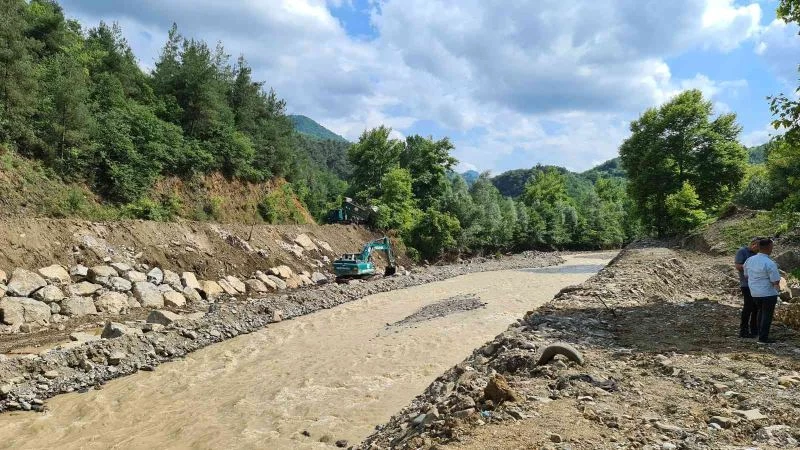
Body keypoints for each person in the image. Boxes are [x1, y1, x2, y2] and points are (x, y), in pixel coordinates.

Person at [744, 238, 782, 344]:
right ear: (769, 248)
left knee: (760, 312)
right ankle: (763, 338)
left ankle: (760, 334)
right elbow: (775, 281)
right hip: (768, 292)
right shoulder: (769, 263)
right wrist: (778, 291)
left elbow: (746, 276)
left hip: (755, 292)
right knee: (767, 315)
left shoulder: (749, 260)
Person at [735, 237, 760, 338]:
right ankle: (743, 330)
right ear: (753, 244)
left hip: (756, 284)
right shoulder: (742, 251)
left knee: (756, 308)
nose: (758, 250)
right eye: (757, 247)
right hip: (746, 284)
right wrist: (752, 268)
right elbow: (738, 266)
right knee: (748, 307)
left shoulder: (757, 254)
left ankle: (754, 329)